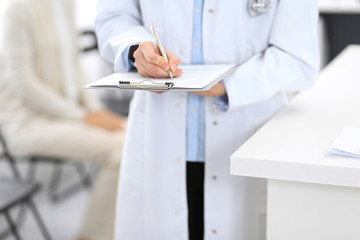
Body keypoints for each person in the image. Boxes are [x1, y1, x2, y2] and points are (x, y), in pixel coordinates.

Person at [95, 0, 319, 239]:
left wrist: (230, 85)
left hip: (244, 137)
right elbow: (113, 17)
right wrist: (136, 48)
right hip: (159, 139)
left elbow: (298, 58)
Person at [0, 0, 126, 239]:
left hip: (66, 114)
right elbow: (24, 84)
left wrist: (97, 111)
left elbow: (73, 64)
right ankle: (93, 235)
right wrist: (84, 116)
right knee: (123, 150)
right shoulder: (17, 8)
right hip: (29, 122)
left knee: (133, 132)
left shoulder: (65, 3)